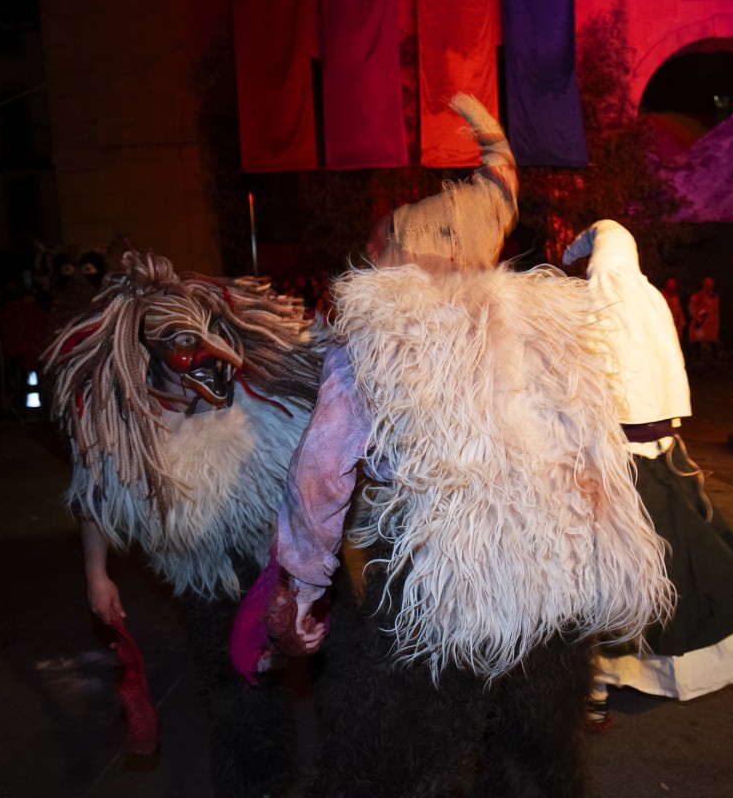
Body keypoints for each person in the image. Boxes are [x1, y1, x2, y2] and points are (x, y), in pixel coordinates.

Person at [235, 95, 674, 797]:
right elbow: (593, 460)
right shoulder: (554, 331)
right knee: (534, 764)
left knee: (407, 770)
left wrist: (304, 587)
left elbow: (320, 476)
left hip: (429, 594)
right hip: (547, 590)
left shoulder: (377, 339)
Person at [41, 250, 327, 797]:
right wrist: (97, 576)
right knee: (237, 681)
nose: (217, 356)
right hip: (203, 576)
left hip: (274, 561)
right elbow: (93, 500)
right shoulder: (127, 433)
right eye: (184, 343)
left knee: (308, 664)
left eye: (216, 333)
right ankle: (254, 785)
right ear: (146, 356)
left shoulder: (264, 407)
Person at [562, 219, 733, 728]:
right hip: (661, 457)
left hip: (609, 465)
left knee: (601, 578)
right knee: (662, 572)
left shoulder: (587, 303)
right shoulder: (652, 300)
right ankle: (609, 681)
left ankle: (594, 688)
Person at [688, 275, 720, 372]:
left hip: (710, 325)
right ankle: (697, 363)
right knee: (697, 343)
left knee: (713, 343)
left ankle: (714, 363)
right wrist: (697, 319)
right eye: (707, 284)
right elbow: (691, 309)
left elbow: (716, 311)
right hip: (700, 324)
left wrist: (717, 323)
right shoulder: (696, 296)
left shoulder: (714, 297)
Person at [663, 275, 686, 340]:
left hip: (674, 329)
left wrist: (680, 328)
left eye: (673, 284)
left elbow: (679, 314)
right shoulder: (659, 296)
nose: (671, 286)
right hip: (663, 328)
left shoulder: (676, 298)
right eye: (669, 284)